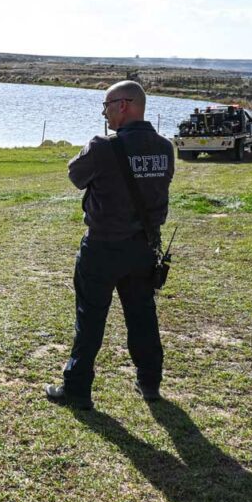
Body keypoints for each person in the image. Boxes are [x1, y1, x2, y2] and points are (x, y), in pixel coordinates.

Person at [45, 80, 175, 409]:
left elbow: (75, 176)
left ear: (124, 105)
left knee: (89, 318)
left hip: (102, 246)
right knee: (143, 315)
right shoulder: (165, 148)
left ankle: (77, 389)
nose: (104, 113)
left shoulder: (103, 146)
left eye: (106, 106)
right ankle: (149, 382)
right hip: (144, 247)